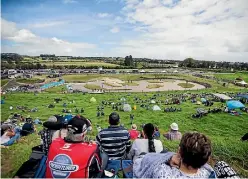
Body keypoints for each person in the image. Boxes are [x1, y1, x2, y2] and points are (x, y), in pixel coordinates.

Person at [133, 132, 214, 178]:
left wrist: (169, 158)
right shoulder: (207, 173)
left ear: (179, 151)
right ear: (206, 159)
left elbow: (142, 160)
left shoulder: (162, 171)